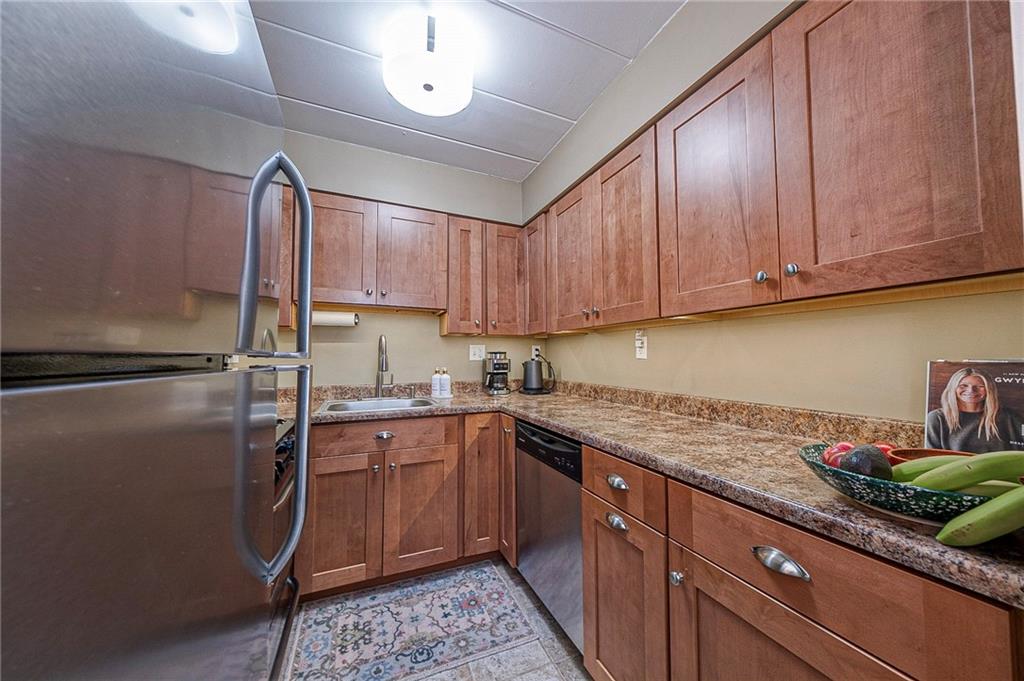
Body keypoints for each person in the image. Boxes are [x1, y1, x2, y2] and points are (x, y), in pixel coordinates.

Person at [925, 367, 1024, 452]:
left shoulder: (1008, 417)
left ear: (989, 389)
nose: (971, 390)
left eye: (980, 386)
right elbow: (931, 457)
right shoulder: (937, 418)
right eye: (963, 386)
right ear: (953, 389)